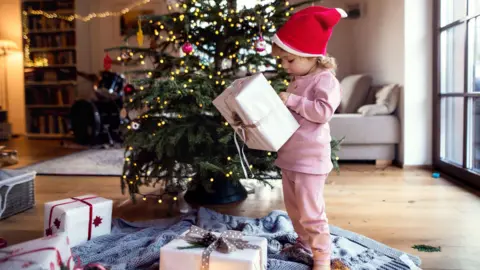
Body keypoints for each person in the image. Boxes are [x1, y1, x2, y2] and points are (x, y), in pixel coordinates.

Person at [271, 6, 347, 270]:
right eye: (282, 60)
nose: (284, 66)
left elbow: (322, 112)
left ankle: (322, 257)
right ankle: (304, 244)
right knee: (294, 210)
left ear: (311, 55)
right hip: (290, 157)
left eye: (289, 60)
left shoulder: (326, 80)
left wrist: (291, 99)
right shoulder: (297, 78)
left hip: (310, 159)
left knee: (311, 213)